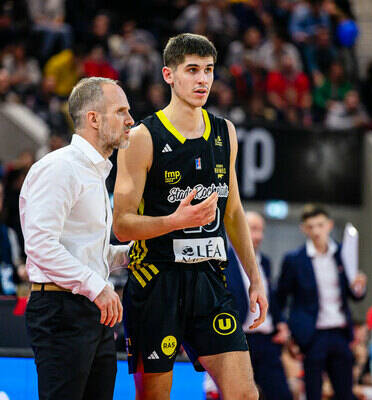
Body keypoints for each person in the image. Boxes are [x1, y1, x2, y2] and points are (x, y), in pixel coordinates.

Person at [113, 33, 267, 400]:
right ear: (169, 75)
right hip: (157, 281)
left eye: (209, 71)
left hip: (210, 282)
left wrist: (255, 278)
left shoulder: (224, 132)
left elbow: (233, 211)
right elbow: (121, 224)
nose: (203, 80)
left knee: (245, 394)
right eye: (192, 70)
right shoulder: (141, 138)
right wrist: (174, 221)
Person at [19, 77, 133, 400]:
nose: (130, 120)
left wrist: (127, 255)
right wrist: (97, 286)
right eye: (121, 111)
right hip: (62, 308)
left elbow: (83, 251)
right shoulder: (60, 168)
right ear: (93, 119)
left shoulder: (95, 173)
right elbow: (40, 246)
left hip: (92, 311)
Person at [274, 204, 367, 400]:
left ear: (329, 225)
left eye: (320, 225)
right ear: (303, 229)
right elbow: (281, 297)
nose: (316, 231)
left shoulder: (343, 254)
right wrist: (286, 329)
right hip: (312, 335)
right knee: (313, 393)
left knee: (345, 393)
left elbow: (355, 295)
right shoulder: (295, 260)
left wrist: (359, 286)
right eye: (310, 226)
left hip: (340, 332)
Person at [225, 211, 292, 400]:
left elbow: (270, 297)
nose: (259, 236)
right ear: (239, 229)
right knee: (239, 395)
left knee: (281, 395)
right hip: (239, 340)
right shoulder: (223, 262)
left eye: (261, 230)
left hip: (267, 340)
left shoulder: (266, 262)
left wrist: (281, 323)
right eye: (253, 229)